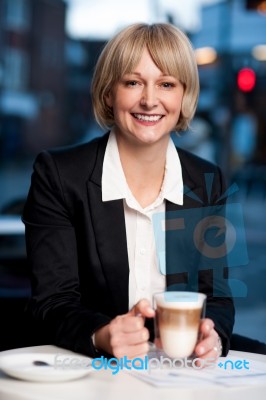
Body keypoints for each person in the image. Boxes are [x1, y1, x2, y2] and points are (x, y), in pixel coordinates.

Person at [22, 23, 234, 361]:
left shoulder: (208, 180)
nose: (150, 100)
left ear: (184, 96)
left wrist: (214, 338)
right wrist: (101, 335)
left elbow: (219, 297)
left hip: (181, 366)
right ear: (109, 93)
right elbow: (52, 302)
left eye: (166, 84)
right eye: (133, 82)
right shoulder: (59, 175)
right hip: (92, 363)